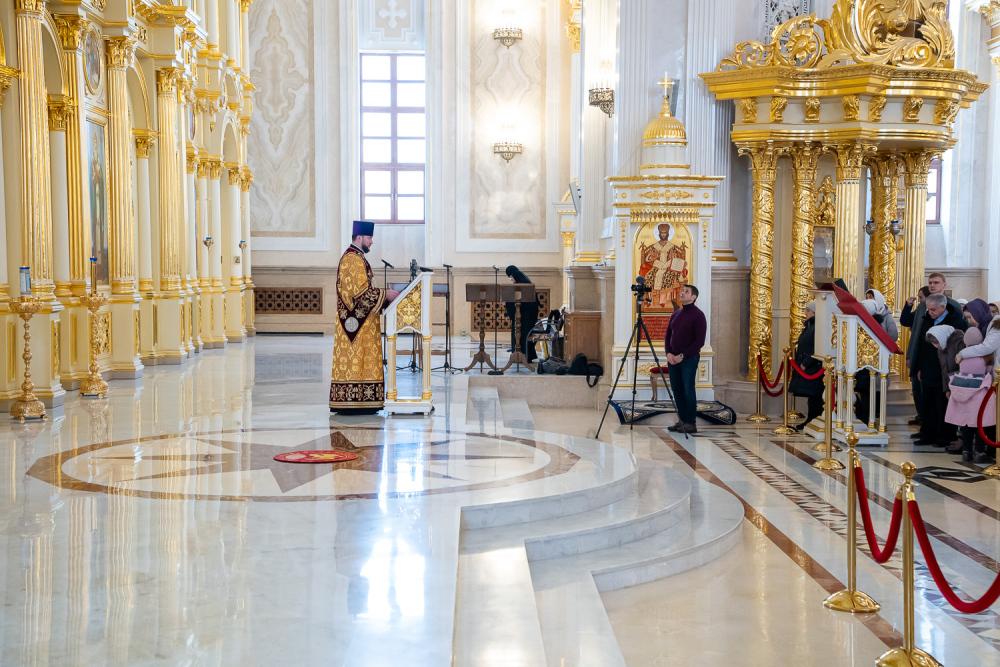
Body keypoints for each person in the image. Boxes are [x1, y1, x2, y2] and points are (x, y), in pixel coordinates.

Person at [329, 221, 399, 414]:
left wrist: (383, 295)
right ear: (359, 237)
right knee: (356, 360)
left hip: (363, 322)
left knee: (361, 361)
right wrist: (385, 294)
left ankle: (362, 402)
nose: (371, 241)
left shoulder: (357, 257)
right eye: (369, 238)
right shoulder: (352, 259)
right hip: (356, 324)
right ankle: (353, 403)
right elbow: (359, 293)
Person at [900, 274, 965, 427]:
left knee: (941, 399)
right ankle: (926, 428)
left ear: (944, 285)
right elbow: (916, 331)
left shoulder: (953, 306)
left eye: (936, 282)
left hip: (944, 360)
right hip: (924, 358)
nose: (932, 285)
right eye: (930, 282)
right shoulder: (923, 306)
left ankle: (941, 432)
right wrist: (913, 357)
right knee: (923, 395)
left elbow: (957, 335)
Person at [944, 328, 995, 462]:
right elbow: (991, 372)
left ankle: (966, 451)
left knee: (965, 426)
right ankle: (979, 452)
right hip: (979, 395)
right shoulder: (984, 357)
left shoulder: (962, 357)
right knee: (979, 425)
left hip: (963, 392)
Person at [665, 284, 706, 434]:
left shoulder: (698, 315)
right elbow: (668, 335)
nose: (682, 293)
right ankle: (682, 420)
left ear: (693, 297)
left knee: (688, 389)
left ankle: (690, 422)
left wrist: (682, 356)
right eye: (682, 291)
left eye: (686, 291)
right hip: (673, 359)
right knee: (677, 389)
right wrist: (668, 353)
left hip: (688, 359)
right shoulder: (676, 314)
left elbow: (699, 341)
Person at [917, 321, 965, 446]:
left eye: (936, 342)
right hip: (949, 382)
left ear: (942, 337)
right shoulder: (941, 347)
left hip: (960, 382)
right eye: (933, 343)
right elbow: (944, 369)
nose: (935, 346)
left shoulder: (959, 341)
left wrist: (954, 385)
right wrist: (947, 389)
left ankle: (949, 437)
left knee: (950, 411)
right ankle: (939, 436)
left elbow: (961, 365)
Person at [789, 302, 824, 431]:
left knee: (815, 396)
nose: (805, 313)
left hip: (813, 367)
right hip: (807, 366)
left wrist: (805, 363)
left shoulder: (817, 327)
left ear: (814, 312)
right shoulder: (810, 326)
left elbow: (816, 347)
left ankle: (813, 419)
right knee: (812, 396)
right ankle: (811, 419)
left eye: (808, 310)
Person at [639, 223, 688, 310]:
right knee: (650, 276)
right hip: (657, 266)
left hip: (669, 267)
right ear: (659, 234)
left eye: (665, 233)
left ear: (668, 234)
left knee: (668, 277)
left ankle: (666, 301)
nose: (663, 235)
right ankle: (652, 301)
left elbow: (676, 259)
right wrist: (653, 259)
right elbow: (648, 259)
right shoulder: (654, 246)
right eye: (662, 233)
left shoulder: (672, 246)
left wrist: (671, 261)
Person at [504, 265, 541, 363]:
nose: (511, 280)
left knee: (521, 334)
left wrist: (507, 304)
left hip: (524, 318)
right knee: (521, 333)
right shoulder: (527, 283)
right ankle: (523, 355)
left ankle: (521, 355)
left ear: (514, 276)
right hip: (526, 317)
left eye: (511, 277)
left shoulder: (520, 286)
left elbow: (517, 302)